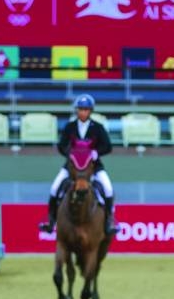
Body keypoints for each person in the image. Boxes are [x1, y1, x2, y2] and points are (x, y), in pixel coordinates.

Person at [39, 94, 117, 235]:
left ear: (90, 111)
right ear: (77, 110)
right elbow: (61, 146)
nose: (83, 112)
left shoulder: (98, 127)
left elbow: (108, 146)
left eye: (86, 110)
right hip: (72, 167)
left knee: (108, 189)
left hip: (93, 167)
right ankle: (50, 220)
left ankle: (109, 220)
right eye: (80, 109)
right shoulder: (70, 127)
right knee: (54, 188)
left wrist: (96, 152)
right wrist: (69, 154)